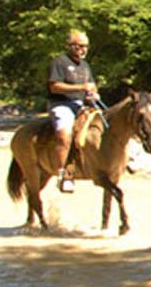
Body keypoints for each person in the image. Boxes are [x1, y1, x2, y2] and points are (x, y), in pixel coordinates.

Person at [47, 30, 98, 193]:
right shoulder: (59, 62)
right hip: (62, 103)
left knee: (105, 125)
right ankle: (65, 175)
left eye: (86, 47)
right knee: (65, 136)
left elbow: (92, 85)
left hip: (82, 104)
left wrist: (93, 93)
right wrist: (81, 87)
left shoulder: (85, 65)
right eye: (80, 46)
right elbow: (54, 86)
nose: (83, 50)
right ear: (70, 46)